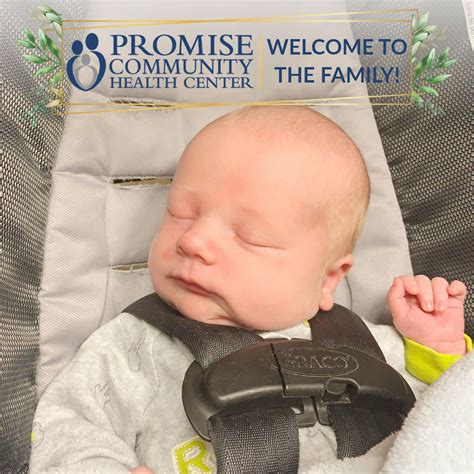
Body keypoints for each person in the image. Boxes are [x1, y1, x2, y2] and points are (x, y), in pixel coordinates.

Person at [29, 106, 470, 473]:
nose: (193, 241)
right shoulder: (131, 348)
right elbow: (68, 426)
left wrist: (437, 350)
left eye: (249, 237)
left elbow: (450, 414)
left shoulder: (372, 347)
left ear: (328, 279)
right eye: (181, 213)